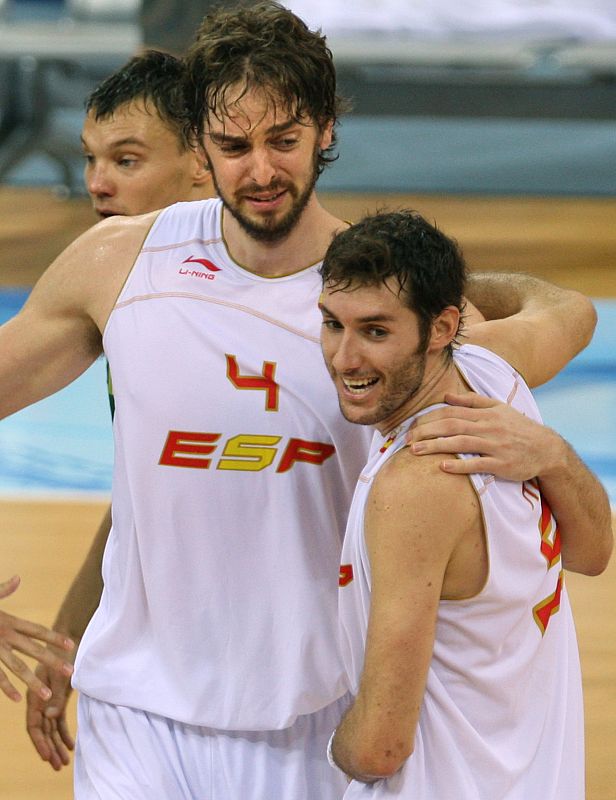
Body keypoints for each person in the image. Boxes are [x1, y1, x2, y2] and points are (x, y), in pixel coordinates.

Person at [0, 3, 608, 797]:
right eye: (233, 145)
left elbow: (565, 317)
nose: (260, 172)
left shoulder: (374, 307)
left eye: (283, 141)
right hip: (137, 720)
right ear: (200, 147)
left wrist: (547, 447)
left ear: (325, 130)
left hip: (318, 728)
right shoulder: (116, 265)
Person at [321, 210, 612, 799]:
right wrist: (554, 455)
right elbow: (594, 550)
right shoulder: (495, 376)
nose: (344, 358)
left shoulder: (418, 485)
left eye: (376, 331)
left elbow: (379, 747)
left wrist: (318, 747)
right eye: (332, 324)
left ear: (441, 327)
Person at [25, 47, 212, 768]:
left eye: (126, 161)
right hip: (147, 680)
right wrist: (69, 644)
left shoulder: (317, 282)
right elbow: (146, 493)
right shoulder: (112, 281)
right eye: (90, 159)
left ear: (202, 156)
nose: (96, 183)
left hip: (302, 673)